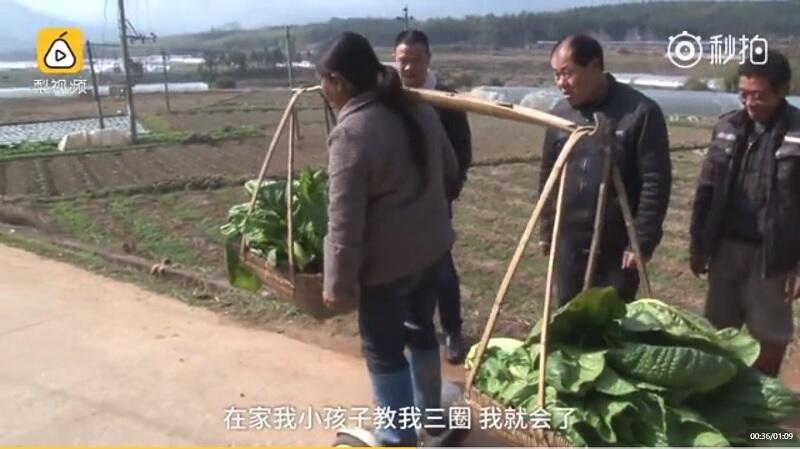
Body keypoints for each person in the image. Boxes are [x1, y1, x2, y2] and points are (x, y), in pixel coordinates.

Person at [318, 32, 459, 446]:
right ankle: (432, 420)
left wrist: (337, 288)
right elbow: (450, 173)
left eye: (324, 82)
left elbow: (343, 223)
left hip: (387, 269)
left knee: (383, 350)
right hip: (432, 252)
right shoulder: (418, 108)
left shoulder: (351, 134)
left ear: (339, 82)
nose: (323, 91)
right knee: (421, 330)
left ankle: (397, 436)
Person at [689, 50, 800, 377]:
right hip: (724, 248)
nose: (750, 102)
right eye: (744, 94)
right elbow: (705, 191)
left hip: (774, 257)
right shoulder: (727, 127)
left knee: (770, 338)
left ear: (782, 90)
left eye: (759, 96)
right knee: (718, 334)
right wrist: (698, 246)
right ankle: (721, 406)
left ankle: (761, 415)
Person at [539, 34, 672, 305]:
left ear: (595, 66)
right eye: (556, 75)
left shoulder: (639, 112)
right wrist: (546, 228)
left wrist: (641, 241)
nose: (561, 83)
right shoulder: (560, 114)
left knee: (611, 327)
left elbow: (655, 182)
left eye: (568, 73)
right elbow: (548, 174)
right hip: (569, 242)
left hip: (616, 246)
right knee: (567, 320)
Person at [394, 29, 473, 364]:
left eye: (416, 61)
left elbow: (462, 152)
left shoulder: (446, 99)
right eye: (403, 61)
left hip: (435, 200)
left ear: (429, 60)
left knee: (441, 265)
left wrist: (445, 194)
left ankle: (453, 330)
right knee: (399, 264)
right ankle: (409, 325)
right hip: (396, 201)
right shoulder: (389, 94)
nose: (409, 68)